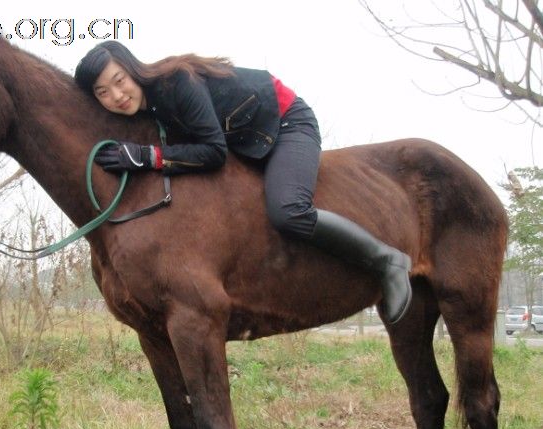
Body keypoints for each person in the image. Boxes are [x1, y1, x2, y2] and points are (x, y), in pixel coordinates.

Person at [75, 41, 412, 324]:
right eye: (103, 93)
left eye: (119, 80)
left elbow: (212, 152)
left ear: (133, 69)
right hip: (243, 140)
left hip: (284, 123)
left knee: (288, 210)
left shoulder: (177, 81)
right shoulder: (145, 111)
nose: (117, 95)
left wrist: (147, 157)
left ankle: (387, 261)